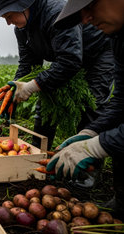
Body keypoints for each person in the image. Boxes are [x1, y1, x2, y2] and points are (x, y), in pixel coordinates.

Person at [0, 0, 114, 149]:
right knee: (47, 101)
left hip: (97, 54)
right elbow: (28, 65)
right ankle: (38, 152)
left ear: (24, 6)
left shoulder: (56, 13)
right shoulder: (22, 29)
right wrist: (14, 89)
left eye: (10, 16)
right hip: (66, 58)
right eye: (5, 19)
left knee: (92, 105)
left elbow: (70, 60)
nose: (9, 23)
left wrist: (32, 86)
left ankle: (86, 159)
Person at [46, 0, 124, 219]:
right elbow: (120, 102)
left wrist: (100, 145)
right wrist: (89, 133)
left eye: (90, 7)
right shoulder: (118, 39)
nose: (86, 19)